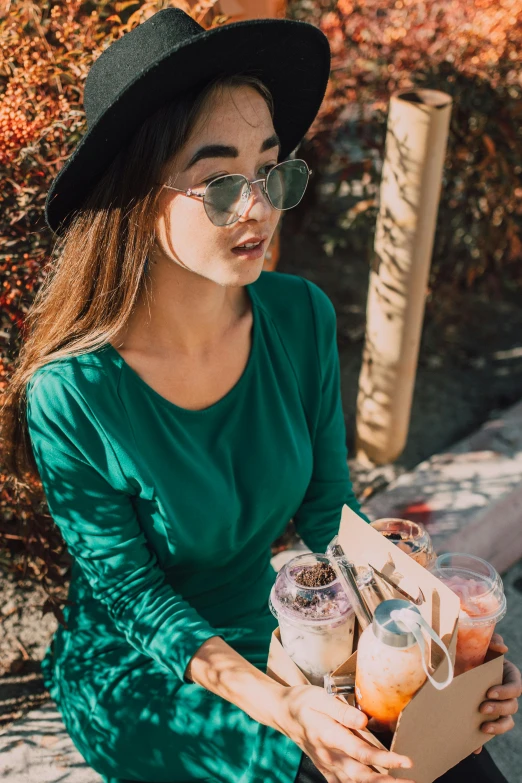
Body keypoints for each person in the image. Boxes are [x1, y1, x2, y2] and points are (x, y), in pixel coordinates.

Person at [1, 8, 519, 783]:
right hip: (150, 669)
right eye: (218, 184)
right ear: (139, 199)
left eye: (271, 169)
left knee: (444, 745)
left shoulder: (299, 316)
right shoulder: (72, 394)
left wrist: (434, 638)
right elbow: (137, 598)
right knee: (340, 762)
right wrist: (285, 706)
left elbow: (329, 518)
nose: (259, 208)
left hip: (281, 622)